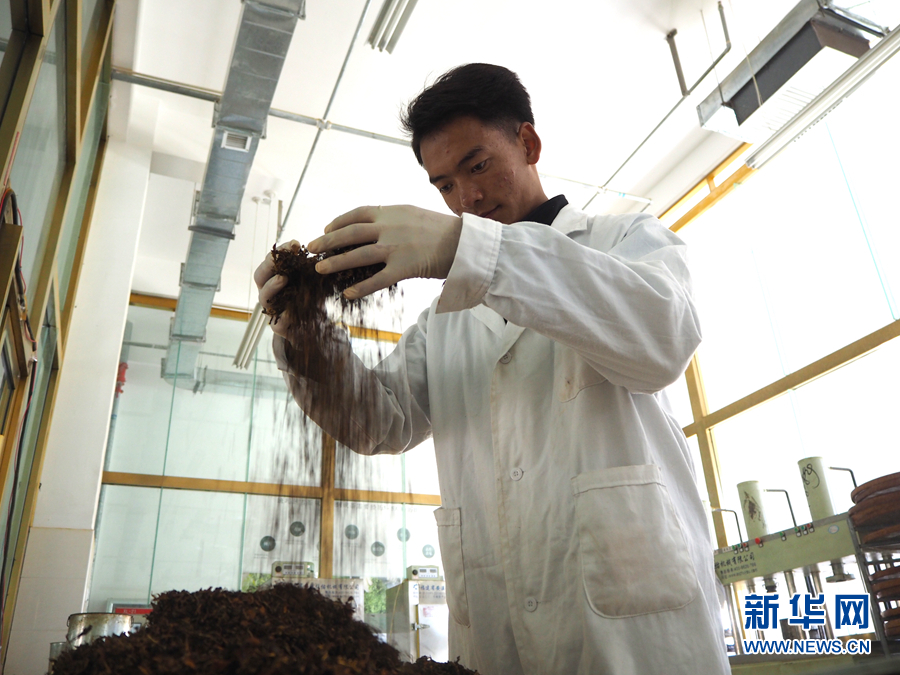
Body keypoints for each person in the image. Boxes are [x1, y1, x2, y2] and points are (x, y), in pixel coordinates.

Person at [255, 63, 730, 675]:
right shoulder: (445, 319)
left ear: (527, 143)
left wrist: (465, 249)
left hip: (638, 644)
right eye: (445, 186)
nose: (467, 200)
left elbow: (662, 338)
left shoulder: (625, 242)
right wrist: (306, 338)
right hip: (496, 641)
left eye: (477, 166)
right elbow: (378, 422)